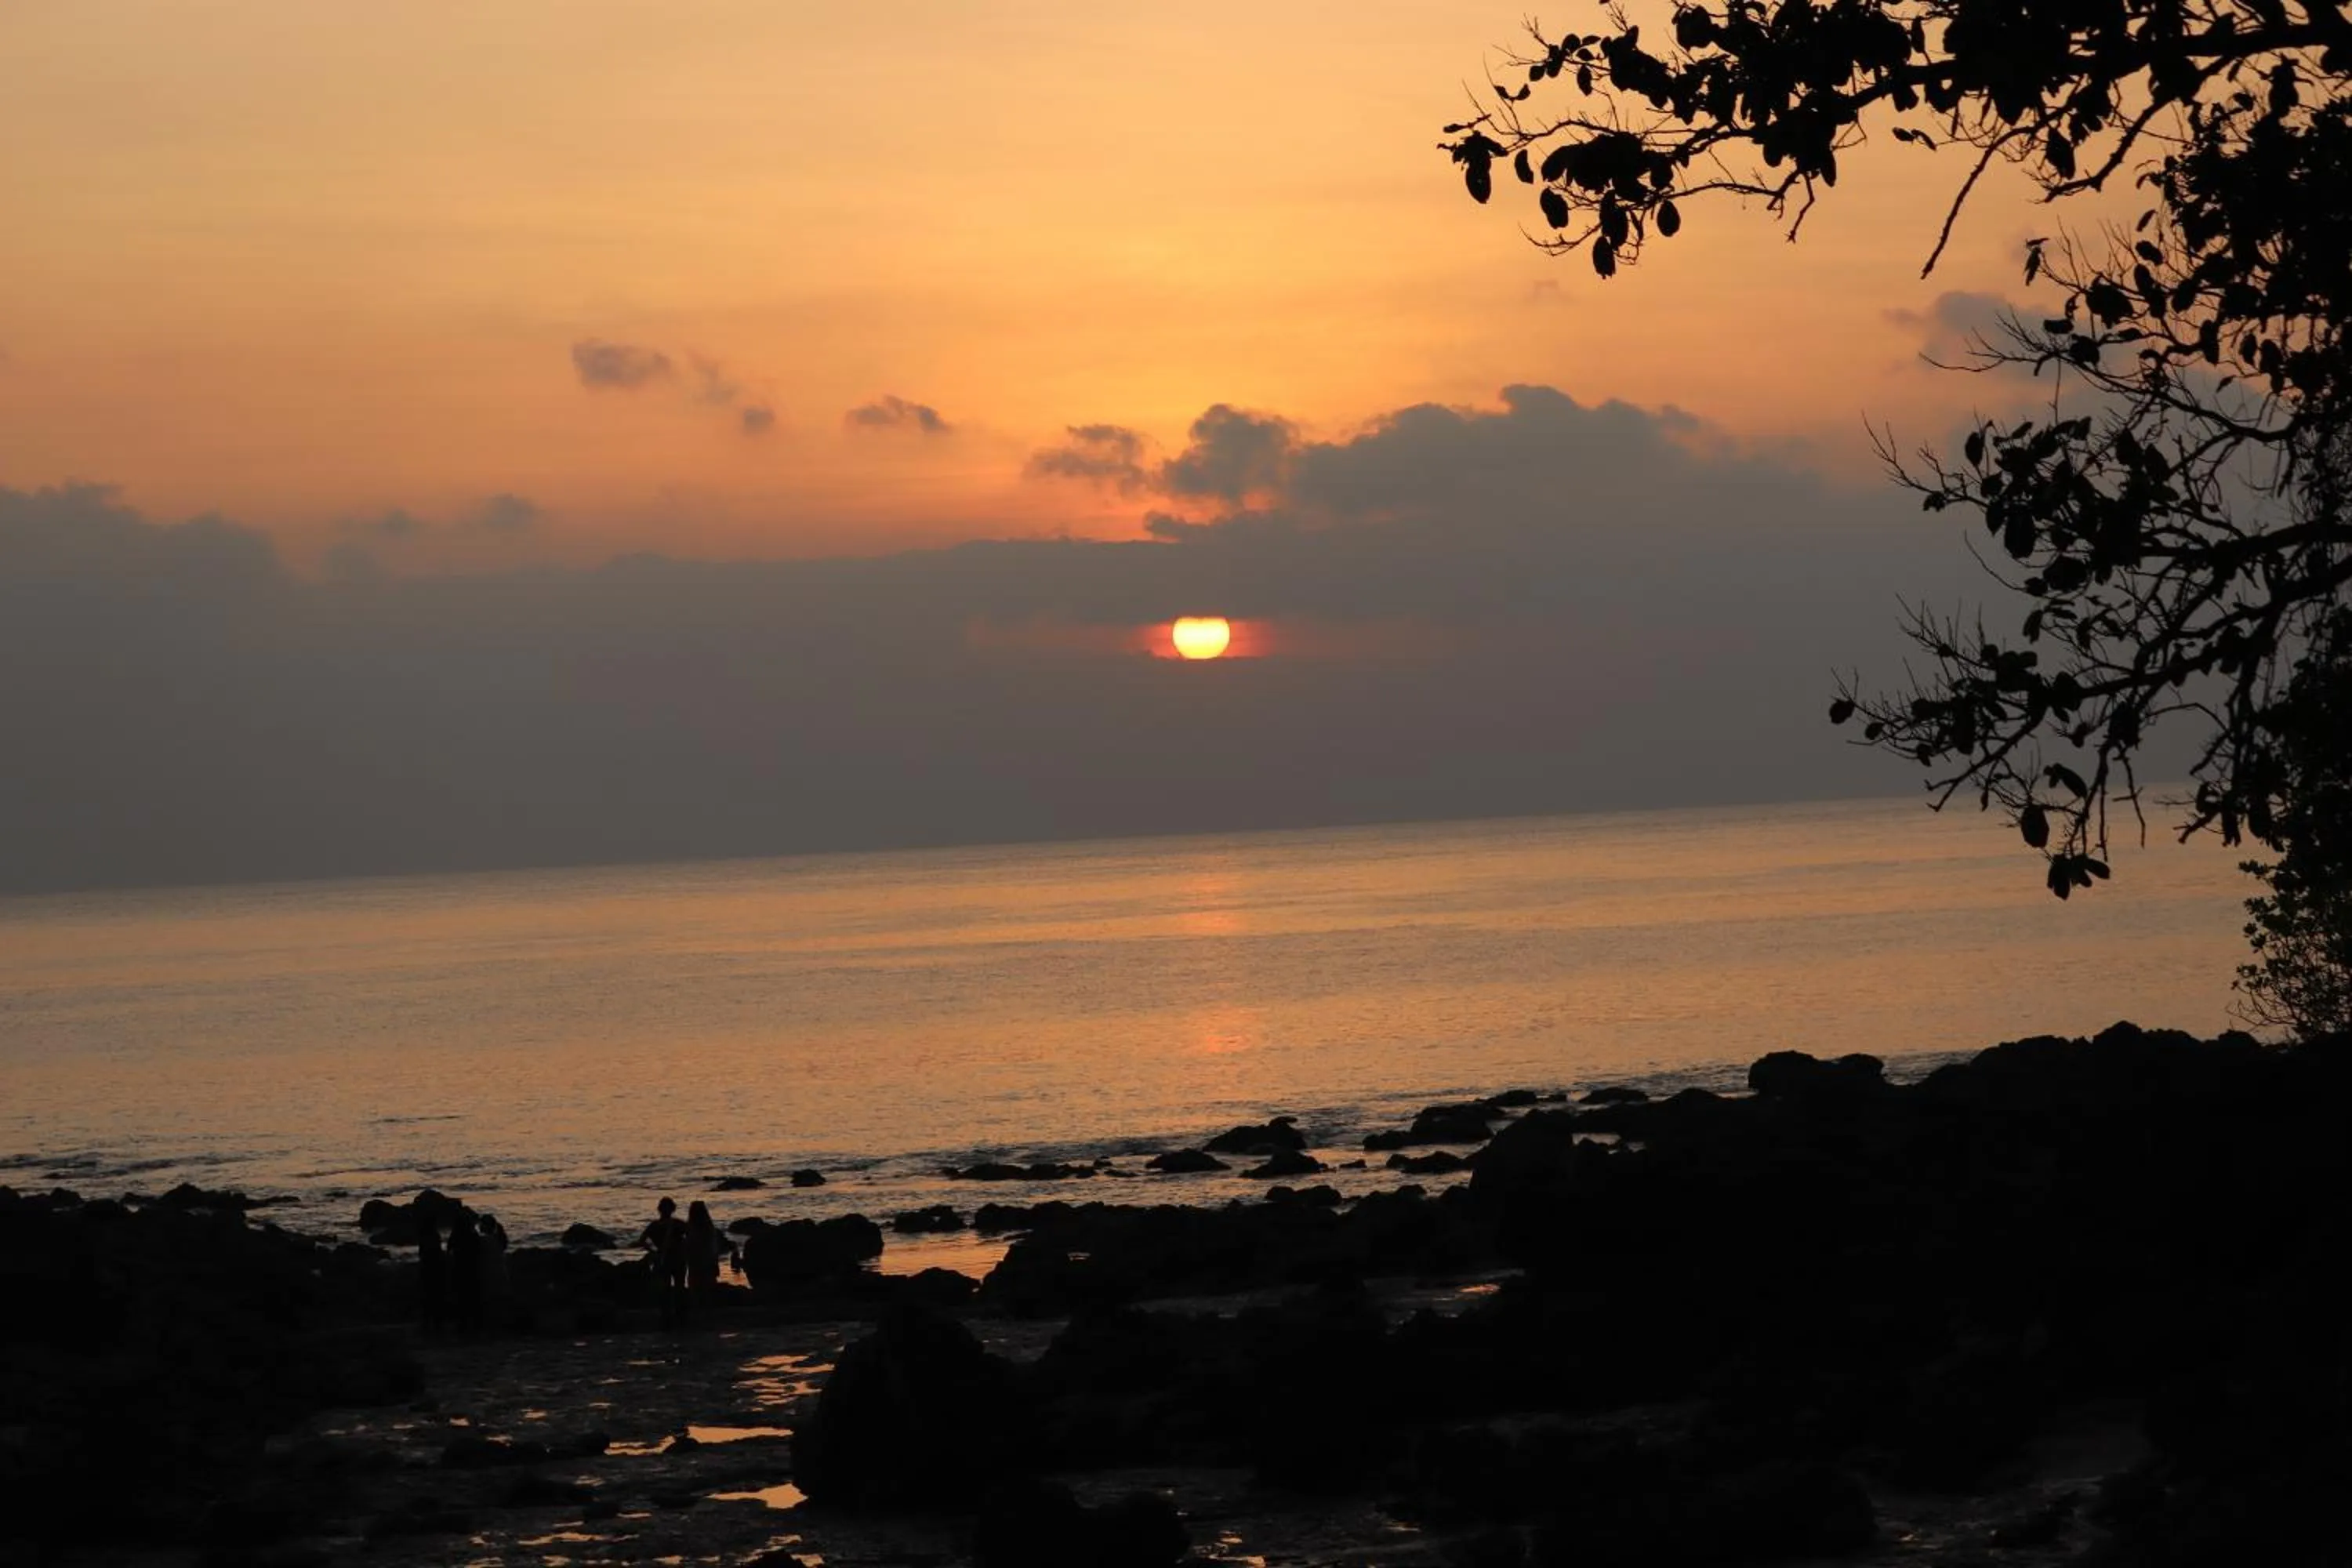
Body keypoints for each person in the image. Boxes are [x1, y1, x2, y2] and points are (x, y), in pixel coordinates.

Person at [639, 1196, 689, 1327]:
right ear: (673, 1209)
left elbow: (642, 1240)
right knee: (680, 1287)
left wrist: (652, 1251)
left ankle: (666, 1317)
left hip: (662, 1258)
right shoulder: (678, 1224)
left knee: (665, 1289)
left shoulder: (654, 1226)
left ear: (659, 1209)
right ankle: (680, 1316)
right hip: (678, 1259)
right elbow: (692, 1236)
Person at [447, 1205, 485, 1334]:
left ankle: (463, 1325)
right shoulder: (473, 1235)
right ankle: (474, 1324)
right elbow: (479, 1251)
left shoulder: (456, 1234)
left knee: (462, 1298)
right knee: (473, 1297)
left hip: (459, 1268)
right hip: (472, 1269)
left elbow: (449, 1248)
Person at [685, 1200, 727, 1308]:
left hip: (695, 1262)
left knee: (696, 1289)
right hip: (708, 1261)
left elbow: (688, 1246)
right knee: (708, 1289)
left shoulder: (689, 1229)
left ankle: (699, 1309)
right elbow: (714, 1248)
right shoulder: (709, 1228)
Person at [417, 1219, 450, 1335]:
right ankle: (437, 1324)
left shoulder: (424, 1237)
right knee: (437, 1298)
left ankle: (427, 1325)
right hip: (436, 1270)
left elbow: (422, 1254)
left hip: (426, 1270)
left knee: (427, 1299)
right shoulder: (435, 1237)